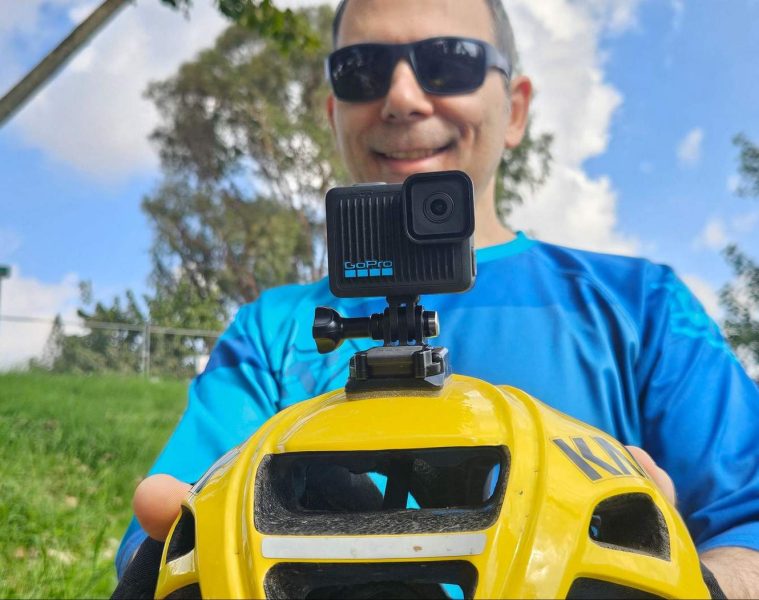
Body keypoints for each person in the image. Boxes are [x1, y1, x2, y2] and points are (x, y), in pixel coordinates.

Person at [117, 0, 759, 597]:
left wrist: (682, 579)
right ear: (333, 112)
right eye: (362, 71)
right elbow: (169, 533)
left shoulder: (644, 306)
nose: (401, 98)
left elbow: (749, 523)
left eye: (450, 62)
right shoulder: (269, 330)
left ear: (515, 110)